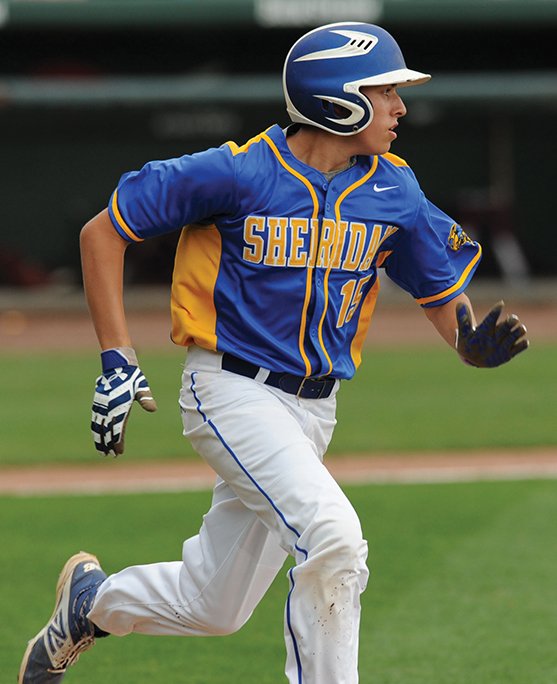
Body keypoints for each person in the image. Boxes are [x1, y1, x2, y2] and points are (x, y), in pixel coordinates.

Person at [19, 22, 529, 684]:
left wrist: (469, 345)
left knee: (213, 606)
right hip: (229, 390)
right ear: (334, 97)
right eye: (384, 92)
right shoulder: (236, 172)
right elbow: (104, 231)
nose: (401, 108)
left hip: (313, 410)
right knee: (335, 540)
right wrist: (117, 357)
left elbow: (441, 295)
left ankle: (90, 605)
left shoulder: (391, 189)